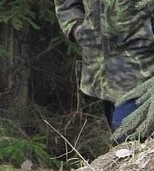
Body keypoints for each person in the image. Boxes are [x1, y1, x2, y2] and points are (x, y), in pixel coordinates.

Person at [56, 1, 154, 140]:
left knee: (126, 133)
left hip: (140, 63)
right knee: (119, 134)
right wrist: (75, 28)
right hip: (102, 67)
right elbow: (65, 3)